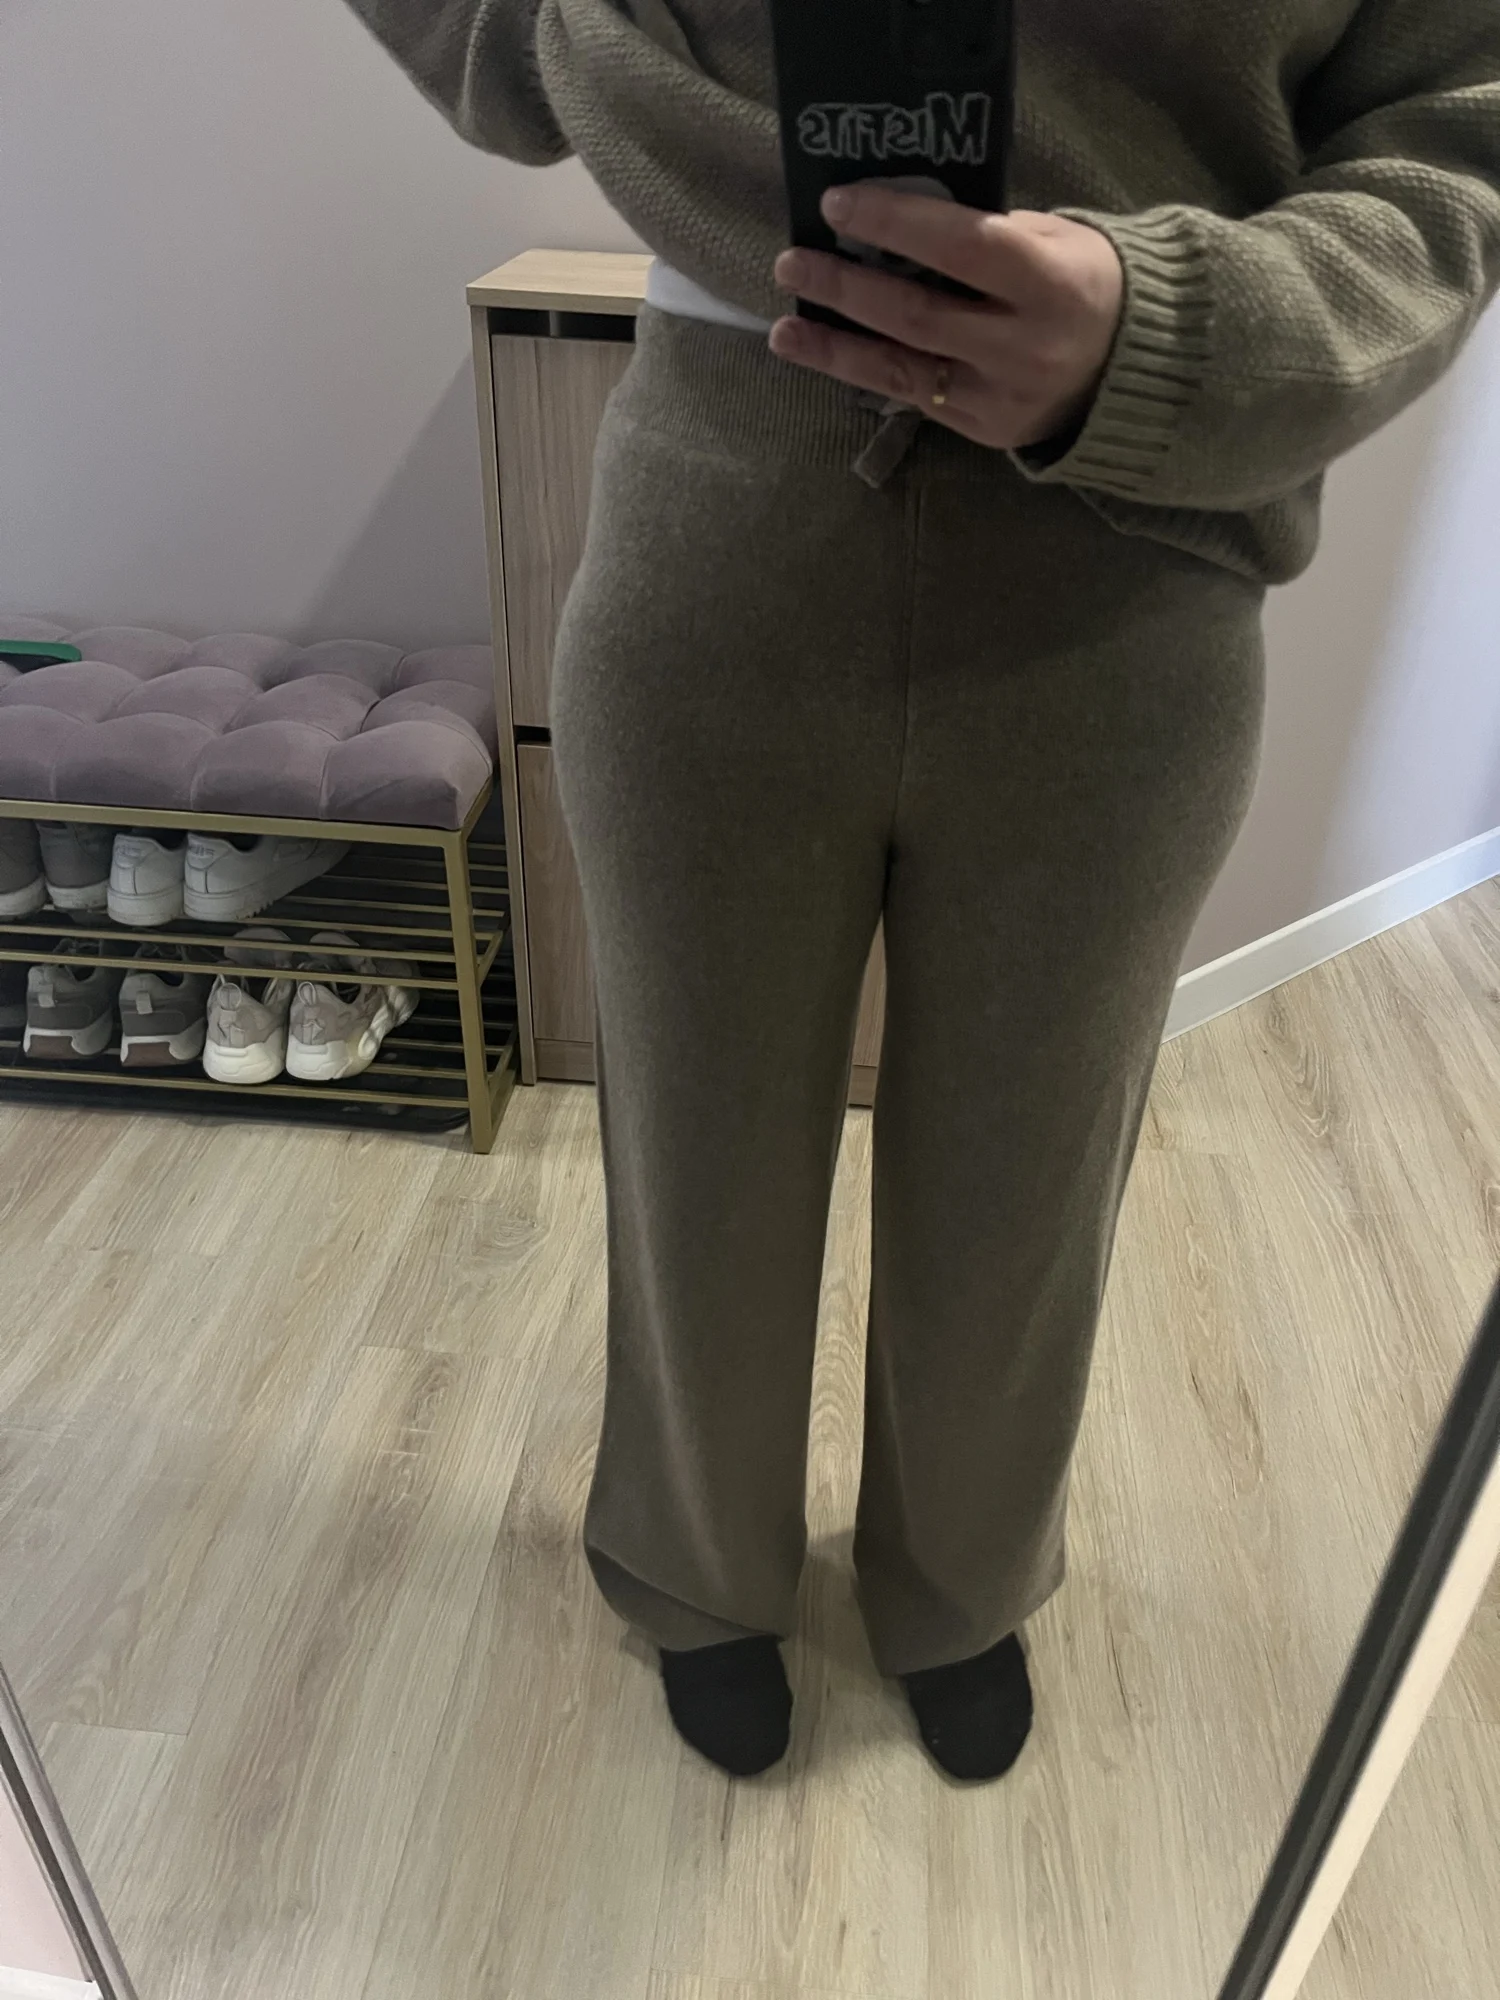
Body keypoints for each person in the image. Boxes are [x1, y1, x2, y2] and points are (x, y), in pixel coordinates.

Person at [346, 0, 1500, 1782]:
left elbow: (1456, 133)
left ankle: (962, 1586)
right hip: (724, 531)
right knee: (697, 1151)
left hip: (1130, 585)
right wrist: (589, 52)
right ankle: (697, 1570)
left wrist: (1184, 332)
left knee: (1029, 1183)